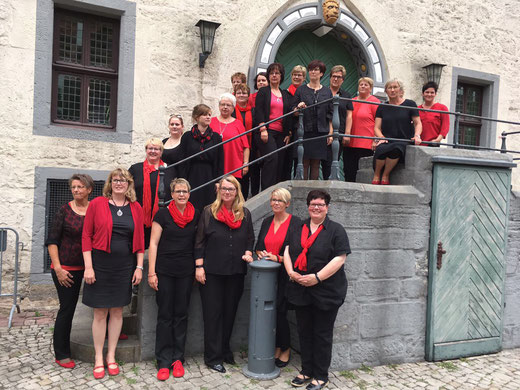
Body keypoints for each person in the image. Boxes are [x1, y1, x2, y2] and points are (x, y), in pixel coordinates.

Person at [284, 190, 350, 390]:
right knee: (304, 331)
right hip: (301, 289)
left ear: (327, 207)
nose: (316, 208)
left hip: (327, 291)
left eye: (320, 204)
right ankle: (306, 370)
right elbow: (287, 250)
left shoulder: (336, 230)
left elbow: (340, 258)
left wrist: (317, 277)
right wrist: (291, 272)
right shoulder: (298, 227)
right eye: (313, 204)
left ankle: (321, 375)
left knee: (322, 334)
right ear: (308, 206)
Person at [82, 168, 145, 379]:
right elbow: (86, 236)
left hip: (124, 266)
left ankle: (111, 356)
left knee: (117, 311)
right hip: (100, 265)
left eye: (123, 180)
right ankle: (99, 358)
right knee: (100, 312)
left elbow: (139, 242)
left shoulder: (136, 208)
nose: (119, 183)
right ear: (110, 183)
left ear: (129, 184)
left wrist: (139, 267)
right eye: (116, 180)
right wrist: (88, 267)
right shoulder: (97, 204)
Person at [194, 175, 254, 373]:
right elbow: (200, 241)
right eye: (224, 189)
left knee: (230, 313)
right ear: (219, 191)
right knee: (212, 315)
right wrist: (199, 267)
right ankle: (212, 357)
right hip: (211, 272)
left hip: (235, 272)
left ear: (237, 191)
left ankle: (225, 350)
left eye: (231, 189)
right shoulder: (208, 212)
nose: (227, 192)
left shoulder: (244, 213)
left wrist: (248, 251)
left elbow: (249, 238)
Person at [148, 178, 200, 381]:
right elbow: (153, 244)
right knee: (165, 315)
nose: (181, 194)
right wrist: (151, 273)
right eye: (178, 191)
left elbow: (198, 244)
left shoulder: (195, 215)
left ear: (189, 193)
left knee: (181, 314)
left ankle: (178, 358)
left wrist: (197, 267)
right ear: (171, 194)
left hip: (186, 273)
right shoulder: (162, 214)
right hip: (165, 272)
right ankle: (163, 360)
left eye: (184, 191)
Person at [46, 173, 94, 369]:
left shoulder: (95, 209)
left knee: (102, 302)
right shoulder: (64, 211)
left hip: (91, 266)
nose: (76, 190)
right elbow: (52, 241)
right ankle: (62, 352)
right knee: (67, 309)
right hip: (67, 268)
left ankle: (109, 331)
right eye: (73, 187)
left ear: (89, 189)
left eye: (80, 187)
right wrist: (58, 268)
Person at [255, 188, 301, 368]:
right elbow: (258, 246)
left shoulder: (295, 223)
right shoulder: (267, 221)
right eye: (273, 199)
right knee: (269, 313)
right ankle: (276, 345)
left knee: (280, 313)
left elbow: (298, 253)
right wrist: (262, 254)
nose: (275, 203)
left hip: (284, 275)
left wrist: (278, 258)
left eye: (280, 200)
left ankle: (285, 347)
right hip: (267, 275)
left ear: (287, 203)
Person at [372, 79, 422, 185]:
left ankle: (385, 174)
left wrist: (417, 135)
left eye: (395, 87)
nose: (392, 90)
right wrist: (381, 137)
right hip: (387, 139)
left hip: (403, 139)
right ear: (386, 91)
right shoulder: (382, 107)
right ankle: (377, 174)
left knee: (396, 149)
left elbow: (418, 123)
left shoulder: (410, 104)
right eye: (389, 88)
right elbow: (376, 127)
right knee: (380, 149)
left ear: (400, 90)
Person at [254, 62, 294, 190]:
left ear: (281, 76)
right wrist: (263, 129)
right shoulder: (263, 92)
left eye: (277, 73)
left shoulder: (285, 94)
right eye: (271, 73)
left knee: (280, 162)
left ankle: (277, 191)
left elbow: (289, 114)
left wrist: (288, 133)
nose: (274, 75)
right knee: (272, 159)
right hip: (267, 131)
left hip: (281, 133)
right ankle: (267, 190)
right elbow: (259, 111)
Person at [177, 104, 224, 211]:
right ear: (197, 117)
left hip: (209, 175)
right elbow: (182, 160)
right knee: (192, 203)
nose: (208, 117)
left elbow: (220, 161)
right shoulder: (187, 137)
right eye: (204, 114)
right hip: (192, 174)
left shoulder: (216, 137)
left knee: (209, 205)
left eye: (209, 114)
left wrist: (218, 181)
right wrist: (183, 181)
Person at [294, 60, 333, 180]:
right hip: (304, 130)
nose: (312, 72)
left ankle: (313, 194)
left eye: (316, 70)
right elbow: (293, 111)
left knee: (316, 164)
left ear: (321, 73)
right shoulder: (301, 90)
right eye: (311, 69)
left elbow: (330, 114)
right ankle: (303, 190)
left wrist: (330, 133)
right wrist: (298, 107)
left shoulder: (327, 91)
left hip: (321, 131)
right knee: (304, 163)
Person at [128, 138, 167, 248]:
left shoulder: (169, 169)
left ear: (161, 152)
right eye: (150, 148)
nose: (153, 151)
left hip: (162, 218)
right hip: (138, 217)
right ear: (146, 150)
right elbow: (125, 187)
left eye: (157, 149)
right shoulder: (135, 169)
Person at [211, 93, 250, 200]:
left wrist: (245, 164)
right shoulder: (211, 122)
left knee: (232, 196)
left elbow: (246, 146)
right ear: (219, 106)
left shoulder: (238, 123)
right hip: (216, 165)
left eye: (228, 105)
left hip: (234, 164)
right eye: (222, 104)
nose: (225, 107)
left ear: (233, 108)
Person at [343, 77, 379, 182]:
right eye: (361, 84)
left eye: (366, 85)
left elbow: (379, 122)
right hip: (350, 142)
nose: (363, 86)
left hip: (366, 144)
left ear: (371, 88)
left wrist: (375, 139)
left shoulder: (374, 102)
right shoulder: (352, 101)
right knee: (349, 170)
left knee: (363, 172)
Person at [324, 65, 353, 180]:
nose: (335, 79)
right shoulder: (323, 92)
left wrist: (347, 133)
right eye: (333, 76)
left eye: (339, 77)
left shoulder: (346, 95)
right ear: (330, 77)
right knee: (324, 161)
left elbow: (349, 115)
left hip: (339, 133)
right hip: (322, 131)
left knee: (333, 160)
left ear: (343, 80)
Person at [233, 83, 255, 199]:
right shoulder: (231, 110)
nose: (241, 95)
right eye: (239, 93)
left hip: (250, 146)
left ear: (248, 95)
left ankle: (244, 199)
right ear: (235, 95)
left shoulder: (253, 111)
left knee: (246, 176)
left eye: (244, 93)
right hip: (235, 147)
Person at [249, 72, 269, 196]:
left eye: (263, 80)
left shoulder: (272, 96)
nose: (261, 83)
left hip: (267, 134)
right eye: (259, 81)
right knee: (254, 167)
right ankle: (255, 194)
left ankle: (265, 193)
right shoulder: (251, 98)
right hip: (254, 135)